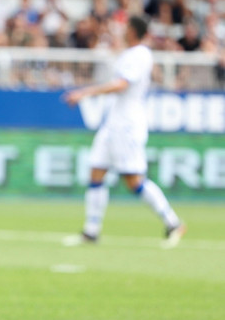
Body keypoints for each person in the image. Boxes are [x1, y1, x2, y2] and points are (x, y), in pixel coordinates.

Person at [62, 16, 186, 249]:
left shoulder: (140, 54)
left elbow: (122, 84)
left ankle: (173, 222)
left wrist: (85, 92)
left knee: (134, 181)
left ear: (133, 31)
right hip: (113, 124)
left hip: (128, 126)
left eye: (126, 28)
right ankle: (91, 231)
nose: (122, 31)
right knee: (96, 172)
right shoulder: (130, 53)